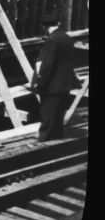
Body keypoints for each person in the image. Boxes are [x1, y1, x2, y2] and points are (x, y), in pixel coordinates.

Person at [30, 13, 81, 141]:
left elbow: (47, 64)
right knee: (59, 112)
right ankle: (57, 136)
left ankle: (44, 139)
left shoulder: (51, 40)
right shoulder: (66, 38)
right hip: (65, 83)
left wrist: (39, 82)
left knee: (48, 113)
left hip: (52, 84)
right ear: (57, 24)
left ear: (44, 27)